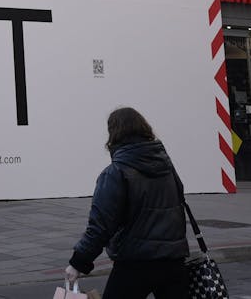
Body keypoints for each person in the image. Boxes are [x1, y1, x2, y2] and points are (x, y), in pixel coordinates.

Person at [65, 107, 190, 299]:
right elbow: (179, 205)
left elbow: (101, 226)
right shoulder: (166, 166)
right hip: (174, 260)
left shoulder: (116, 172)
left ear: (114, 134)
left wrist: (78, 263)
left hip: (135, 263)